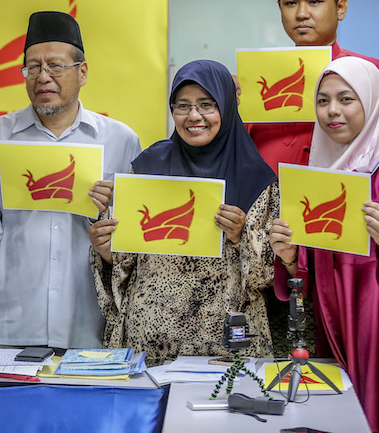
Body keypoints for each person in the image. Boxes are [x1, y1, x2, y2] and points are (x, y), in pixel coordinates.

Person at [0, 11, 141, 349]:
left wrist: (105, 215)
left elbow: (131, 244)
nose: (43, 76)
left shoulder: (121, 140)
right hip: (10, 323)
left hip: (89, 324)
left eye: (55, 66)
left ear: (83, 72)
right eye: (33, 67)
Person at [91, 60, 277, 365]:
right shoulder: (147, 166)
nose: (194, 116)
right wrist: (107, 251)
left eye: (207, 105)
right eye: (183, 106)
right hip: (150, 342)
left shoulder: (256, 179)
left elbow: (266, 277)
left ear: (227, 107)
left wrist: (243, 236)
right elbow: (128, 261)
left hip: (225, 345)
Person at [270, 57, 379, 433]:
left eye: (346, 99)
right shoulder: (318, 174)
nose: (332, 111)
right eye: (322, 101)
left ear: (372, 102)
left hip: (377, 326)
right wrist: (289, 258)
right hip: (332, 325)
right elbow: (310, 267)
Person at [249, 0, 379, 174]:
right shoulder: (258, 81)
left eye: (314, 2)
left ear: (340, 8)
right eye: (290, 3)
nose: (301, 14)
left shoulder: (372, 74)